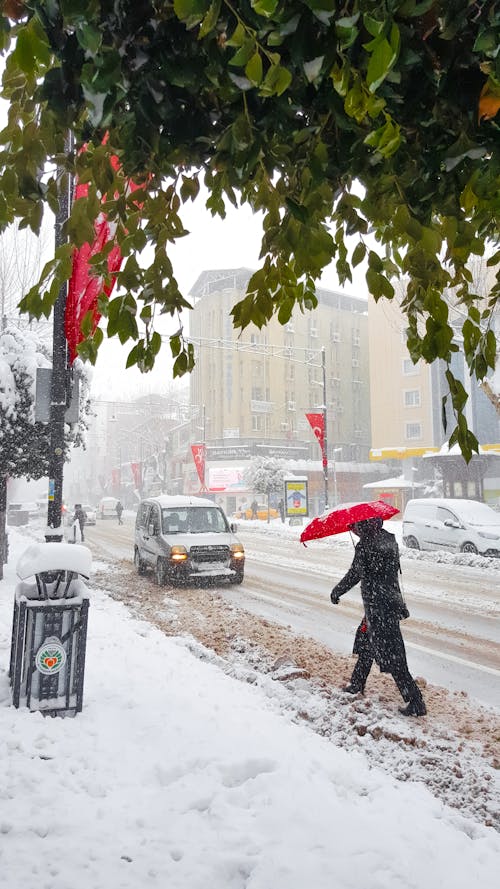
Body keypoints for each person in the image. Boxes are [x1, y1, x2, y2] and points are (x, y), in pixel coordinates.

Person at [330, 516, 426, 717]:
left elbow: (355, 574)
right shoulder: (388, 539)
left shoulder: (366, 545)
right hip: (387, 605)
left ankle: (415, 701)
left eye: (356, 527)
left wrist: (337, 591)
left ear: (363, 526)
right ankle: (357, 684)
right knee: (367, 643)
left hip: (379, 608)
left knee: (394, 656)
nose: (354, 531)